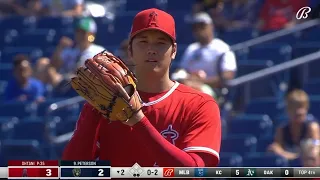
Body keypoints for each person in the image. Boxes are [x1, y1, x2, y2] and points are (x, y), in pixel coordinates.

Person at [63, 8, 221, 167]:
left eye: (160, 43)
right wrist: (92, 114)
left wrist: (139, 122)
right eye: (143, 42)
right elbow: (72, 171)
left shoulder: (200, 104)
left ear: (174, 51)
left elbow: (195, 173)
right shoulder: (104, 102)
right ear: (130, 50)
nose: (151, 50)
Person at [175, 12, 236, 96]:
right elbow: (181, 70)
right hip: (189, 86)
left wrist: (200, 82)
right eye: (196, 28)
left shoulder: (222, 48)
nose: (199, 30)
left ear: (211, 26)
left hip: (213, 90)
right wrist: (183, 77)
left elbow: (227, 76)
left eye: (202, 26)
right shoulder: (192, 48)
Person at [268, 89, 320, 160]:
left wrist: (284, 154)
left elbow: (313, 155)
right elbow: (275, 150)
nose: (299, 112)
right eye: (294, 107)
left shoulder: (312, 128)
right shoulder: (281, 130)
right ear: (287, 110)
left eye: (302, 107)